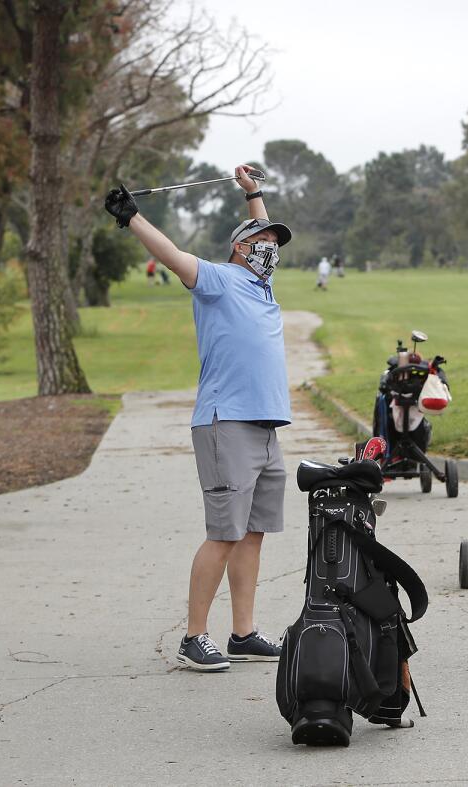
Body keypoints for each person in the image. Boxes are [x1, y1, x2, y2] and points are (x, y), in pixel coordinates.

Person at [104, 165, 292, 672]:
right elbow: (174, 256)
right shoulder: (219, 280)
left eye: (276, 242)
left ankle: (243, 632)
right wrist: (133, 219)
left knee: (253, 534)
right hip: (224, 422)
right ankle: (193, 636)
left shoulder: (262, 287)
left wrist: (254, 195)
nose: (271, 246)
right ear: (239, 248)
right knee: (225, 533)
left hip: (267, 425)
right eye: (262, 240)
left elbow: (263, 230)